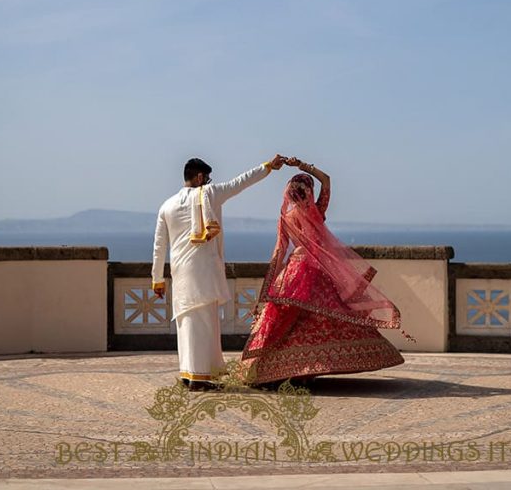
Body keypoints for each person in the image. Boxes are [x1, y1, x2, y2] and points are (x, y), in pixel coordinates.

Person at [240, 157, 409, 386]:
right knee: (324, 316)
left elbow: (279, 251)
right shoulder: (316, 213)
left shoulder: (285, 218)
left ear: (289, 194)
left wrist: (269, 285)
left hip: (293, 271)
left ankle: (282, 369)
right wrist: (305, 166)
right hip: (317, 271)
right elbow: (327, 181)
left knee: (290, 320)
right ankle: (307, 369)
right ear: (309, 192)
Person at [152, 155, 288, 391]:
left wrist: (157, 280)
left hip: (180, 273)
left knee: (186, 322)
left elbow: (158, 246)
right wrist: (267, 167)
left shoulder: (166, 205)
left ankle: (188, 373)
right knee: (204, 324)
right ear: (200, 177)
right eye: (208, 178)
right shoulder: (209, 194)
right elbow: (241, 182)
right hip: (203, 271)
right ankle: (200, 377)